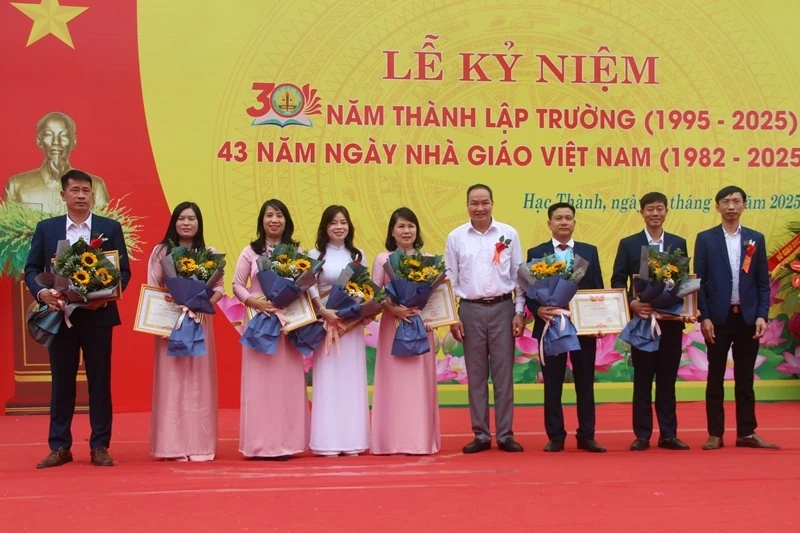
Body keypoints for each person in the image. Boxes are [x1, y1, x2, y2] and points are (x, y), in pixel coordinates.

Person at [24, 169, 131, 468]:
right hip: (61, 316)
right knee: (61, 381)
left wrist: (104, 295)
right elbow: (32, 269)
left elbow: (123, 272)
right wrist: (42, 293)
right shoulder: (47, 229)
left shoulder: (110, 227)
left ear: (92, 195)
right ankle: (60, 446)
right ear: (63, 195)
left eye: (86, 190)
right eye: (75, 190)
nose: (81, 195)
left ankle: (100, 445)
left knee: (99, 381)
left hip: (98, 316)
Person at [694, 185, 778, 450]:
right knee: (715, 376)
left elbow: (763, 282)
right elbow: (701, 282)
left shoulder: (755, 239)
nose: (731, 206)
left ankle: (746, 432)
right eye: (726, 202)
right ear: (717, 206)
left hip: (747, 318)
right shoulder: (706, 239)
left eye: (736, 201)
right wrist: (704, 316)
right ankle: (715, 433)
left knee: (745, 378)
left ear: (743, 206)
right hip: (718, 319)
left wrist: (762, 315)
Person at [445, 184, 525, 454]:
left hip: (504, 308)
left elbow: (518, 275)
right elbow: (450, 279)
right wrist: (453, 317)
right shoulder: (456, 237)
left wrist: (519, 311)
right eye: (474, 203)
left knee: (503, 376)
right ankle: (481, 434)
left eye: (484, 202)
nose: (479, 207)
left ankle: (505, 435)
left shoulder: (508, 233)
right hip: (470, 310)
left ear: (493, 203)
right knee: (476, 376)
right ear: (467, 205)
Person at [611, 192, 690, 451]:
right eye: (650, 209)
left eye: (659, 209)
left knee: (667, 380)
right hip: (643, 321)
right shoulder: (629, 244)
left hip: (670, 322)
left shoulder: (678, 243)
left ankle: (669, 434)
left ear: (666, 211)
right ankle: (642, 434)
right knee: (643, 380)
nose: (655, 213)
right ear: (641, 213)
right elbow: (618, 279)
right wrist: (631, 304)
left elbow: (683, 281)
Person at [232, 199, 310, 460]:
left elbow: (307, 282)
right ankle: (259, 444)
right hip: (259, 323)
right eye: (269, 215)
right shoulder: (250, 252)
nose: (274, 220)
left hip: (287, 325)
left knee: (286, 384)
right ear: (261, 221)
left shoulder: (297, 251)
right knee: (260, 384)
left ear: (286, 220)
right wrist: (252, 301)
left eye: (279, 215)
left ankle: (286, 444)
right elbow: (237, 284)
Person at [526, 202, 606, 453]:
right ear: (549, 223)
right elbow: (528, 290)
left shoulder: (588, 252)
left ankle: (587, 435)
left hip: (582, 326)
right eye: (558, 218)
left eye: (568, 218)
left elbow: (597, 289)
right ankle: (556, 436)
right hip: (551, 325)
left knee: (585, 382)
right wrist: (537, 309)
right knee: (552, 382)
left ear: (574, 222)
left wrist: (600, 320)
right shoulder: (536, 252)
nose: (563, 222)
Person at [147, 202, 223, 461]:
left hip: (199, 319)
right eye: (181, 218)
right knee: (172, 380)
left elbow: (220, 288)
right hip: (172, 321)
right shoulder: (161, 252)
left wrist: (200, 301)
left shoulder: (209, 253)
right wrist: (176, 304)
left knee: (199, 380)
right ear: (174, 222)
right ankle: (171, 446)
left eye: (192, 218)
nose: (186, 223)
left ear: (199, 223)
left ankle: (200, 445)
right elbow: (154, 285)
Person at [370, 207, 440, 455]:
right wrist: (393, 309)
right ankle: (390, 441)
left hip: (420, 326)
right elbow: (375, 292)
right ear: (392, 231)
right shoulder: (382, 259)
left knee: (418, 384)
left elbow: (437, 297)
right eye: (401, 226)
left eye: (411, 225)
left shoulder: (429, 260)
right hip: (393, 326)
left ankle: (419, 440)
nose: (406, 230)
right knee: (394, 383)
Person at [307, 205, 370, 457]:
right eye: (334, 222)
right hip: (326, 324)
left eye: (343, 222)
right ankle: (328, 441)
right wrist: (323, 310)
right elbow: (309, 285)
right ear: (325, 227)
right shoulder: (315, 253)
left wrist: (357, 313)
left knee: (351, 380)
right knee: (328, 380)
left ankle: (353, 440)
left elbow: (364, 288)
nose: (339, 227)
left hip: (350, 327)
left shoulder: (357, 254)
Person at [4, 112, 109, 213]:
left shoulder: (95, 185)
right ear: (39, 141)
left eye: (63, 135)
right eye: (49, 135)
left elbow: (105, 229)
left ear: (74, 141)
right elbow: (5, 228)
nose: (56, 142)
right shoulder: (16, 185)